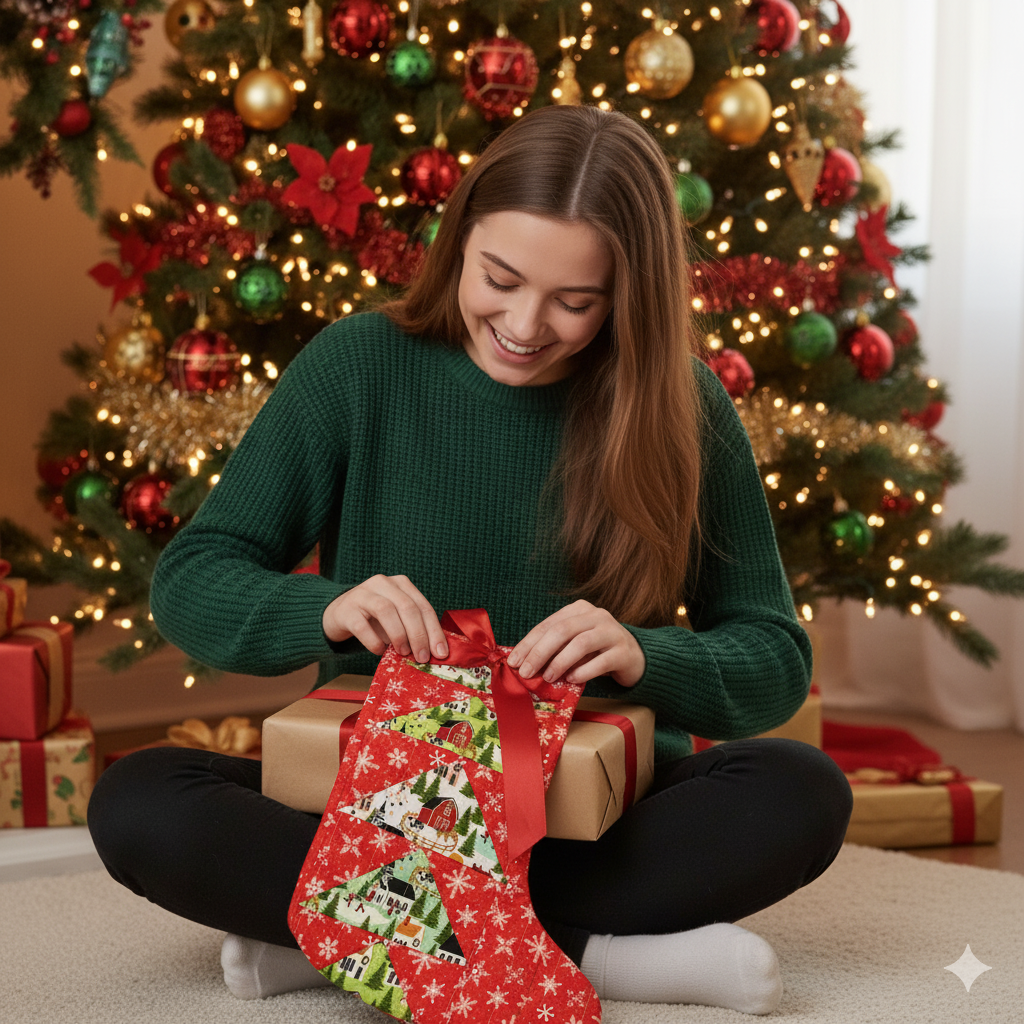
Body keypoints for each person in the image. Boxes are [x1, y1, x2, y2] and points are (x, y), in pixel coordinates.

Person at [88, 104, 853, 1015]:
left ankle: (352, 938)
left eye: (576, 302)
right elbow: (190, 579)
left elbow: (772, 660)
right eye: (499, 278)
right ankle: (596, 954)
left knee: (802, 793)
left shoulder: (682, 405)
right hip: (381, 809)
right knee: (138, 802)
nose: (526, 325)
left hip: (595, 812)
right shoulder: (358, 365)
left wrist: (650, 655)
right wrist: (326, 611)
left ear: (628, 297)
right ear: (458, 242)